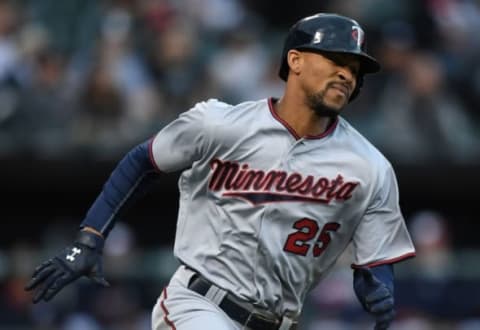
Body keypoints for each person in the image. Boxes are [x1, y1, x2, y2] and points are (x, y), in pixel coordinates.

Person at [25, 13, 416, 330]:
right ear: (294, 60)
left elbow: (375, 261)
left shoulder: (370, 167)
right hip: (199, 304)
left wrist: (379, 286)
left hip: (282, 320)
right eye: (336, 60)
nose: (347, 74)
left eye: (354, 69)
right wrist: (90, 238)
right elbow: (143, 160)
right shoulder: (222, 124)